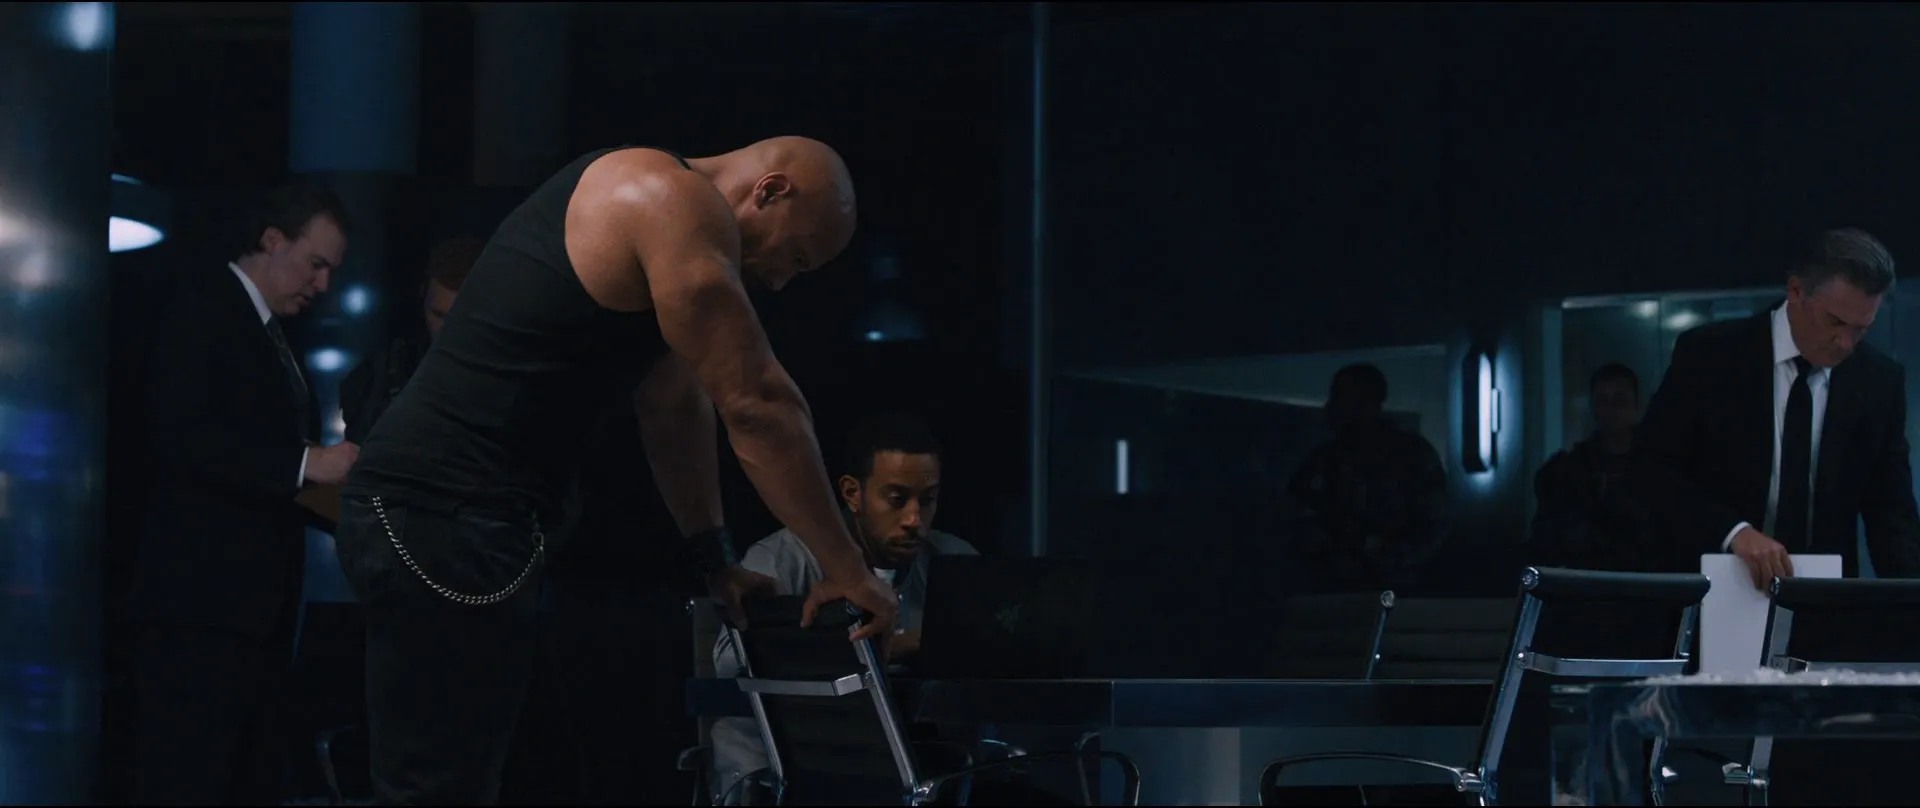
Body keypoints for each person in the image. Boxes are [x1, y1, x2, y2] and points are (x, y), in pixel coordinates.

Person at [336, 138, 900, 805]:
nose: (780, 282)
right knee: (436, 789)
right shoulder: (666, 199)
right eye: (796, 257)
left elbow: (673, 405)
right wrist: (848, 569)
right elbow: (758, 404)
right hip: (440, 513)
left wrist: (714, 559)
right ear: (770, 190)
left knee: (475, 780)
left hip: (472, 520)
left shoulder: (670, 233)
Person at [132, 185, 357, 804]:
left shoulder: (268, 332)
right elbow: (183, 437)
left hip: (245, 614)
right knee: (189, 778)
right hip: (199, 609)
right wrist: (309, 462)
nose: (322, 285)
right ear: (272, 240)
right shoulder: (203, 308)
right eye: (316, 263)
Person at [709, 412, 978, 803]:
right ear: (853, 494)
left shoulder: (952, 563)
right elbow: (727, 668)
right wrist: (896, 646)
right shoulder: (781, 561)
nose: (913, 519)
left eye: (927, 500)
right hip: (779, 771)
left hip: (904, 767)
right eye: (897, 499)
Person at [1635, 227, 1920, 590]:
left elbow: (1891, 510)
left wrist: (1909, 602)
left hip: (1825, 597)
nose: (1846, 343)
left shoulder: (1878, 380)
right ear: (1796, 291)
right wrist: (1733, 532)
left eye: (1862, 329)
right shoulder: (1710, 355)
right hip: (1716, 584)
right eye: (1836, 322)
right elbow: (1651, 468)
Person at [1286, 363, 1449, 592]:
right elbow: (1295, 519)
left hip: (1398, 593)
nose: (1331, 407)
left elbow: (1433, 527)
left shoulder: (1412, 456)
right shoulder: (1322, 462)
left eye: (1341, 396)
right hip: (1331, 594)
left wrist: (1381, 561)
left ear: (1367, 402)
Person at [340, 235, 485, 444]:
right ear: (423, 297)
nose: (447, 332)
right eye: (438, 315)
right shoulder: (378, 378)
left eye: (460, 320)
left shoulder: (517, 382)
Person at [1529, 363, 1657, 571]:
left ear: (1636, 405)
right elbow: (1547, 542)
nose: (1610, 409)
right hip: (1587, 581)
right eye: (1602, 401)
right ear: (1593, 406)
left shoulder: (1658, 468)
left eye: (1619, 400)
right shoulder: (1567, 471)